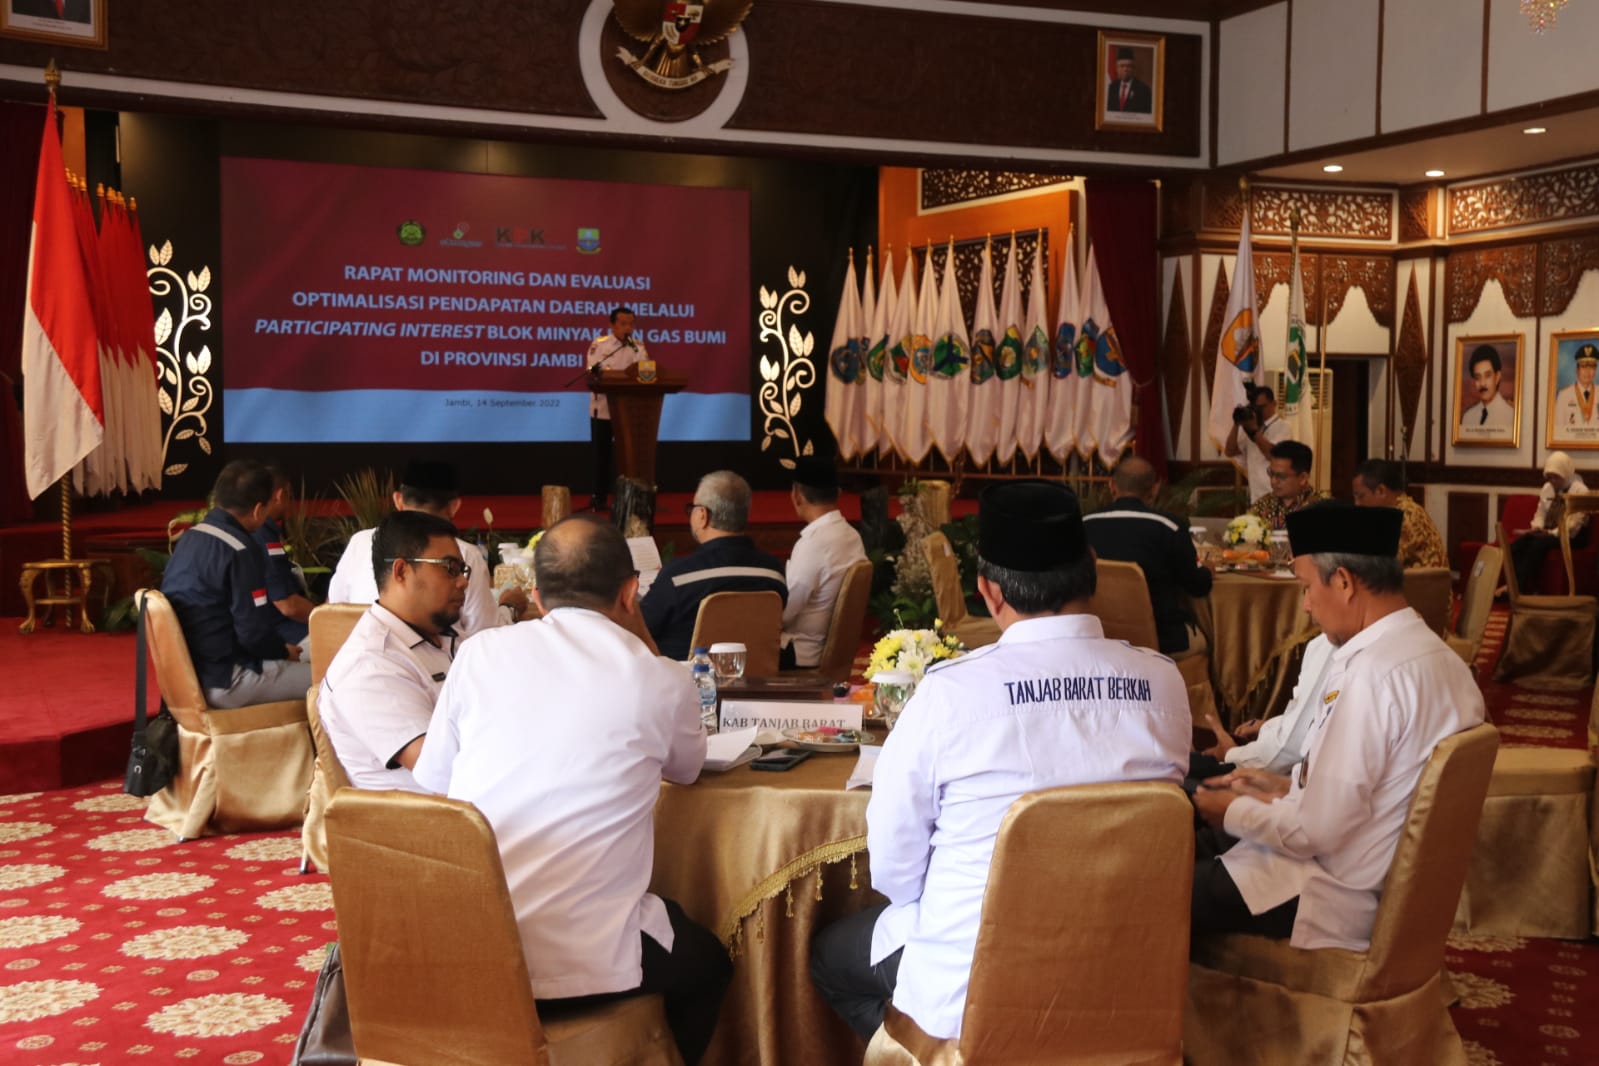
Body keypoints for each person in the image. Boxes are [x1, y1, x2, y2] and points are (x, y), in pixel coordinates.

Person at [809, 481, 1190, 1042]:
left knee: (829, 959)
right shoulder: (1164, 682)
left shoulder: (949, 695)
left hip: (980, 988)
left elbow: (895, 870)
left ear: (988, 591)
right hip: (1126, 978)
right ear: (1093, 569)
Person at [414, 515, 729, 1064]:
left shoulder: (480, 655)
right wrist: (646, 640)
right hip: (585, 959)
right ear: (632, 591)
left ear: (536, 596)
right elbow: (686, 769)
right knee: (709, 966)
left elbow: (437, 787)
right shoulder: (658, 678)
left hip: (469, 947)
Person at [1190, 505, 1485, 948]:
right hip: (1373, 875)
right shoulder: (1444, 661)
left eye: (1307, 587)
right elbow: (1379, 792)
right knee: (1195, 837)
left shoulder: (1372, 675)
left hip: (1331, 890)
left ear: (1344, 582)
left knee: (1154, 889)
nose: (1306, 605)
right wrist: (1281, 789)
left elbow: (1315, 832)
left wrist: (1227, 809)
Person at [317, 511, 466, 793]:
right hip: (436, 826)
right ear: (401, 571)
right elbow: (439, 770)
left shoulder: (449, 640)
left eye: (462, 570)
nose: (462, 581)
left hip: (480, 807)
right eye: (450, 568)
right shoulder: (370, 665)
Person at [161, 459, 312, 709]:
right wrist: (283, 652)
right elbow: (253, 633)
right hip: (228, 681)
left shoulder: (190, 539)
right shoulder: (240, 548)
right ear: (258, 511)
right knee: (336, 682)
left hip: (187, 680)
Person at [326, 460, 525, 637]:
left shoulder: (360, 541)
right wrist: (509, 608)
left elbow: (332, 610)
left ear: (398, 500)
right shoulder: (464, 553)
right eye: (451, 569)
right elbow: (485, 635)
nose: (462, 582)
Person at [641, 470, 788, 661]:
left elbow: (641, 629)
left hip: (690, 684)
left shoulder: (679, 577)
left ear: (703, 515)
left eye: (692, 508)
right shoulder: (773, 573)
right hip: (756, 681)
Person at [1082, 455, 1213, 655]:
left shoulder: (1084, 525)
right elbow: (1196, 586)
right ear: (1155, 488)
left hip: (1099, 639)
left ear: (1112, 486)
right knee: (1211, 639)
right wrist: (1207, 571)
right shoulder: (1170, 526)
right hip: (1164, 642)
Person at [779, 456, 866, 669]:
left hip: (800, 654)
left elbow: (785, 613)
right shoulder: (852, 536)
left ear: (797, 496)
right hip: (831, 650)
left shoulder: (814, 543)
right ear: (838, 494)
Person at [585, 305, 646, 511]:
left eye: (631, 324)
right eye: (623, 323)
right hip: (602, 410)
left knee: (627, 457)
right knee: (600, 456)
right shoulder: (600, 345)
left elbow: (644, 370)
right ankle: (599, 498)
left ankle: (628, 499)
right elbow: (596, 369)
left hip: (628, 412)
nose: (628, 328)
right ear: (612, 325)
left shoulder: (637, 346)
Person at [1509, 450, 1589, 593]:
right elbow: (1540, 513)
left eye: (1555, 478)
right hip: (1550, 533)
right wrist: (1537, 527)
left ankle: (1519, 589)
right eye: (1549, 477)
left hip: (1571, 536)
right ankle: (1513, 585)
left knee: (1538, 544)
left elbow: (1574, 524)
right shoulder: (1548, 488)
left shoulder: (1580, 490)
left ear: (1565, 474)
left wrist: (1550, 533)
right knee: (1519, 544)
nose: (1552, 481)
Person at [253, 466, 314, 648]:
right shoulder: (263, 535)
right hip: (284, 635)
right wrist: (326, 619)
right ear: (281, 495)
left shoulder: (246, 531)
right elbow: (288, 606)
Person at [1350, 459, 1446, 569]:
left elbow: (1379, 567)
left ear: (1381, 491)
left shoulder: (1405, 515)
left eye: (1360, 496)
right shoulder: (1399, 510)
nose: (1357, 504)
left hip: (1422, 586)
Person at [1224, 383, 1292, 504]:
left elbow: (1272, 454)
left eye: (1262, 407)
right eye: (1255, 408)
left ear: (1274, 404)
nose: (1258, 412)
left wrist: (1254, 431)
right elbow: (1230, 451)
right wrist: (1236, 424)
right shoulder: (1250, 427)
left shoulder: (1284, 427)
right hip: (1255, 498)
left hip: (1276, 498)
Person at [1248, 440, 1329, 531]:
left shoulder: (1324, 508)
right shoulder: (1262, 505)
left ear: (1303, 478)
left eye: (1281, 476)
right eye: (1271, 473)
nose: (1273, 481)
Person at [1458, 344, 1514, 434]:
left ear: (1497, 377)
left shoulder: (1511, 416)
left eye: (1487, 376)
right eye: (1477, 377)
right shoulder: (1468, 417)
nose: (1482, 383)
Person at [1553, 343, 1599, 435]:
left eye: (1591, 367)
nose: (1587, 371)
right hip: (1571, 447)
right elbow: (1557, 430)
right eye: (1583, 366)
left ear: (1596, 370)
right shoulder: (1564, 395)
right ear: (1577, 370)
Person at [1105, 46, 1153, 113]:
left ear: (1133, 68)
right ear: (1116, 68)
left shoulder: (1144, 90)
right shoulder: (1110, 88)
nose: (1125, 69)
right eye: (1122, 66)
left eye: (1128, 66)